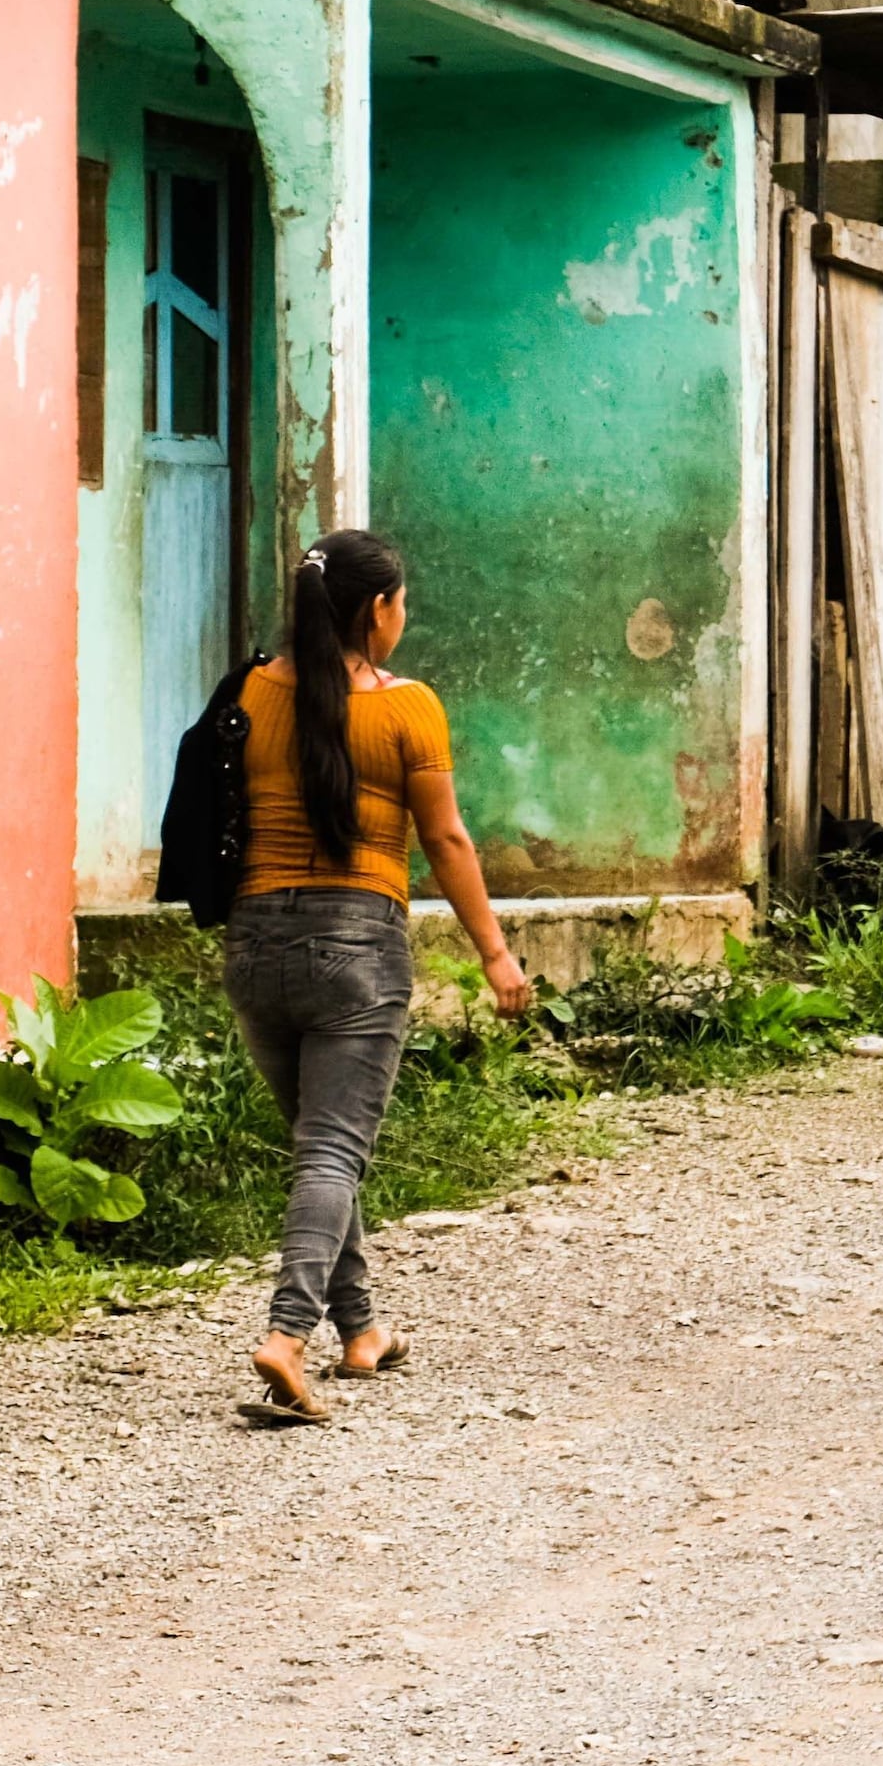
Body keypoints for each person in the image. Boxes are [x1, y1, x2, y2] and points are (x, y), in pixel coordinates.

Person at [228, 528, 530, 1422]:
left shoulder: (250, 689)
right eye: (403, 603)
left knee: (324, 1148)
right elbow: (444, 840)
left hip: (255, 946)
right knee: (333, 1151)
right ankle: (287, 1337)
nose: (407, 617)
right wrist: (495, 953)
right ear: (377, 610)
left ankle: (360, 1330)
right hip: (356, 947)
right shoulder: (407, 709)